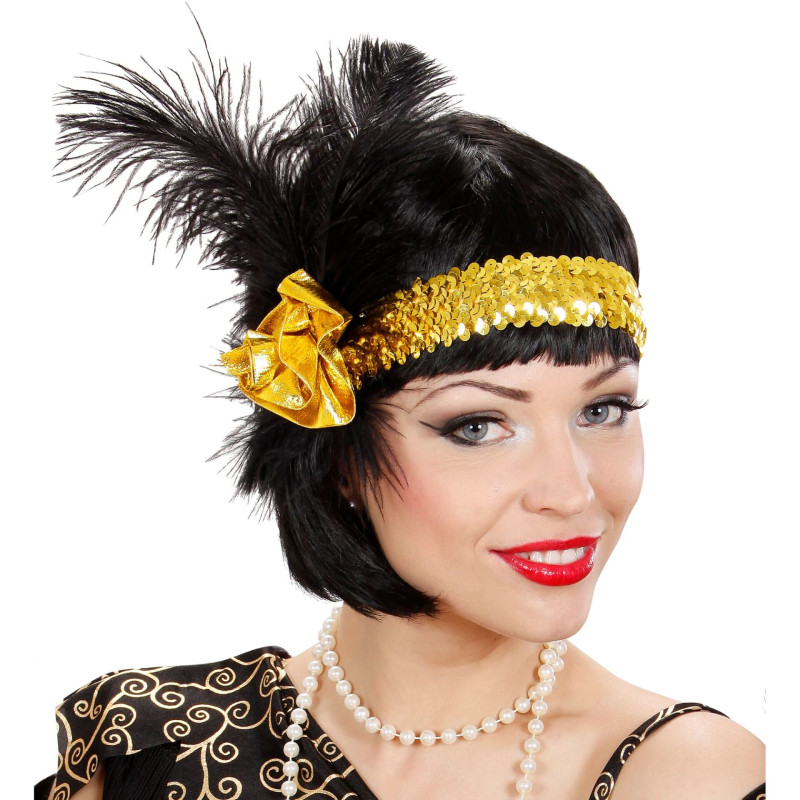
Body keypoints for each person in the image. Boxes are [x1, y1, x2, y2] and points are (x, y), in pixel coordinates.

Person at [38, 37, 765, 800]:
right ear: (336, 450)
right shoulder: (151, 745)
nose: (572, 491)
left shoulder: (691, 777)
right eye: (477, 425)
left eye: (603, 409)